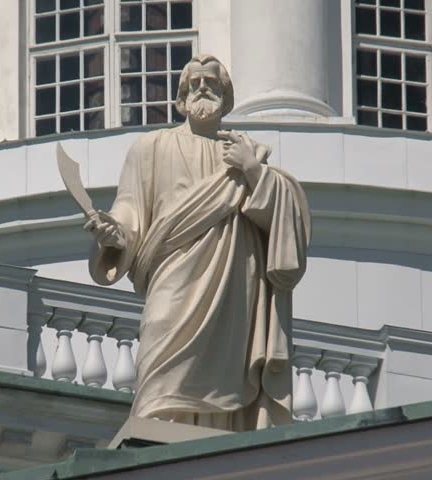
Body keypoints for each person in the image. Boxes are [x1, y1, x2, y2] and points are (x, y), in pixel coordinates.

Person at [85, 54, 310, 432]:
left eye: (213, 83)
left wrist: (252, 170)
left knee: (228, 382)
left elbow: (288, 219)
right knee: (159, 365)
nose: (203, 89)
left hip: (234, 286)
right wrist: (115, 235)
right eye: (195, 83)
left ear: (227, 96)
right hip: (173, 275)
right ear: (181, 97)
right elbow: (129, 208)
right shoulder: (152, 147)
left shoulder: (246, 153)